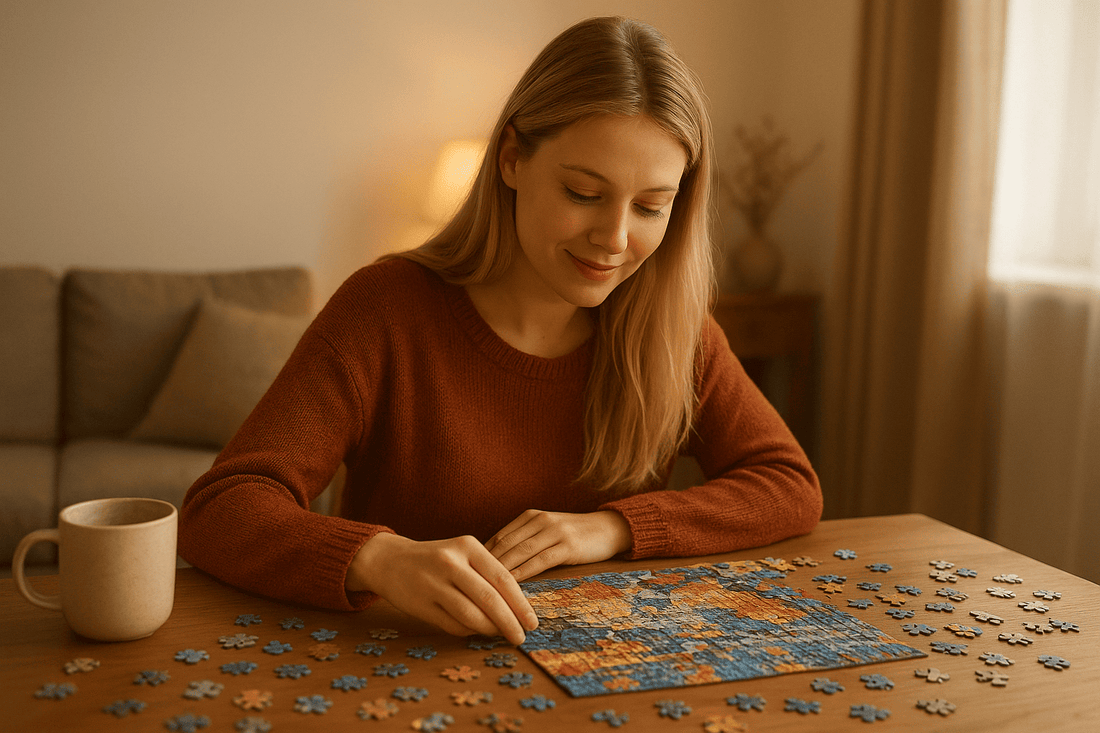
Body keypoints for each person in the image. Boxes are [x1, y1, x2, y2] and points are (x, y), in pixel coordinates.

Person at [178, 16, 822, 647]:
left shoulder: (673, 329)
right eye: (583, 192)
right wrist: (377, 557)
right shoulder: (385, 309)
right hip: (407, 672)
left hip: (609, 677)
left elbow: (787, 484)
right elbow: (222, 507)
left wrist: (612, 528)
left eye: (651, 206)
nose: (616, 239)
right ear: (512, 158)